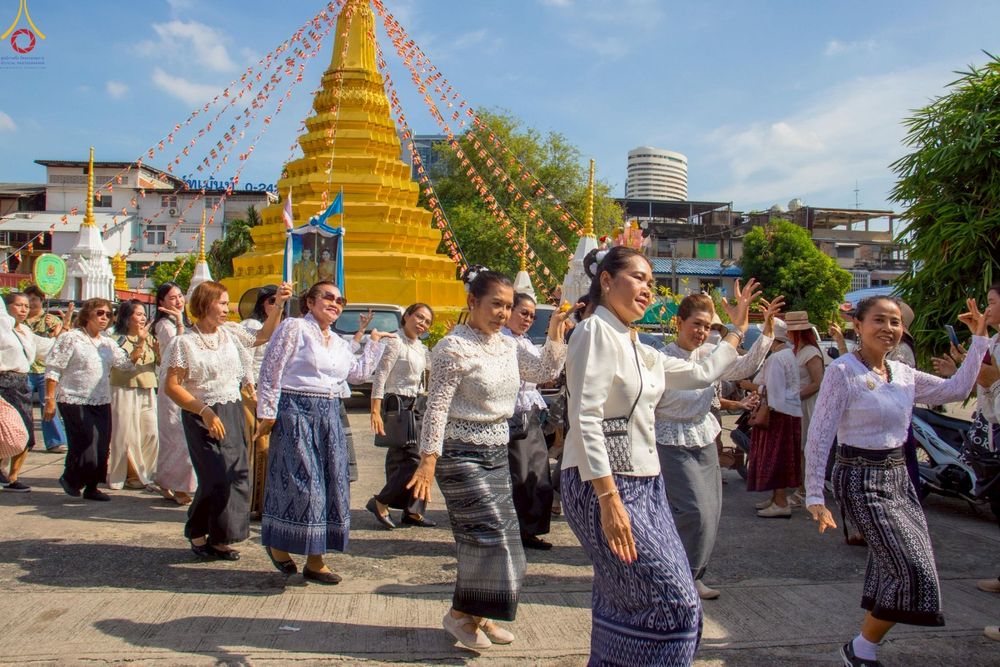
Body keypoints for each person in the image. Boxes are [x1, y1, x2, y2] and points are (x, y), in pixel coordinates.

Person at [560, 246, 761, 666]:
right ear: (607, 281)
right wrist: (608, 499)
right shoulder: (594, 332)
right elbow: (586, 417)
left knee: (627, 599)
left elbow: (702, 373)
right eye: (637, 278)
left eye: (651, 282)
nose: (647, 289)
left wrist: (736, 331)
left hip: (645, 484)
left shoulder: (637, 345)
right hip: (606, 486)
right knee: (675, 606)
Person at [804, 295, 989, 667]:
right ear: (858, 326)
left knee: (901, 565)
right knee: (912, 569)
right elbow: (820, 434)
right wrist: (814, 496)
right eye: (879, 320)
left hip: (899, 479)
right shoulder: (842, 372)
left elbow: (956, 389)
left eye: (895, 322)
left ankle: (862, 650)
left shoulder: (903, 373)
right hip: (858, 477)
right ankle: (860, 647)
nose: (888, 329)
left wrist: (981, 339)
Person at [406, 267, 570, 650]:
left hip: (497, 450)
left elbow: (546, 370)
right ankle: (466, 615)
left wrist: (556, 331)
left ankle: (476, 614)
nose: (502, 312)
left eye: (507, 306)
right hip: (459, 453)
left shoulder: (509, 345)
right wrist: (427, 460)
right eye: (495, 304)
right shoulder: (451, 348)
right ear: (472, 303)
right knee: (489, 537)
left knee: (507, 542)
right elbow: (436, 409)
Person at [256, 281, 388, 582]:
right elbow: (271, 369)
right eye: (328, 297)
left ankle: (316, 560)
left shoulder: (340, 343)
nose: (335, 303)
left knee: (331, 485)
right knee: (303, 483)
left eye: (340, 300)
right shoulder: (294, 328)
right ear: (311, 302)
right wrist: (267, 412)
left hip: (330, 413)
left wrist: (375, 344)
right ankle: (279, 542)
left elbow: (357, 374)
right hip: (296, 410)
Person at [655, 292, 779, 601]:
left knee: (711, 511)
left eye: (707, 326)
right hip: (669, 438)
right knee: (693, 511)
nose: (701, 331)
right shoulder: (661, 356)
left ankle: (695, 575)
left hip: (705, 436)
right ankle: (674, 573)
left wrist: (764, 331)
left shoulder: (711, 351)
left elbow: (743, 366)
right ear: (679, 322)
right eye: (696, 324)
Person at [163, 280, 292, 560]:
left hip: (231, 410)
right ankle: (197, 531)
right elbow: (173, 386)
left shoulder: (232, 333)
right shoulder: (184, 343)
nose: (226, 308)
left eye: (227, 303)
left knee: (236, 477)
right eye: (221, 303)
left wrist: (279, 304)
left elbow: (265, 335)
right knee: (214, 478)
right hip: (202, 414)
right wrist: (204, 411)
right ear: (205, 304)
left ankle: (220, 538)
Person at [46, 298, 151, 502]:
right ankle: (71, 477)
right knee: (86, 442)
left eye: (108, 314)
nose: (104, 318)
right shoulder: (71, 339)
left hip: (101, 399)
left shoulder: (107, 343)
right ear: (87, 315)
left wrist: (140, 341)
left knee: (101, 445)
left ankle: (92, 487)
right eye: (100, 313)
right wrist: (50, 399)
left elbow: (126, 365)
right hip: (73, 398)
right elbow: (53, 368)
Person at [503, 292, 564, 550]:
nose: (528, 319)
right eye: (523, 312)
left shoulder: (525, 342)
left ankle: (531, 528)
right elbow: (542, 371)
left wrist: (558, 331)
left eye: (532, 315)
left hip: (530, 412)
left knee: (538, 472)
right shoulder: (504, 342)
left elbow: (548, 369)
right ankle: (517, 529)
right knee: (519, 473)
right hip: (512, 413)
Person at [367, 302, 435, 530]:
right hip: (396, 404)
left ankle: (413, 510)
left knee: (409, 458)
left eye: (427, 321)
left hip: (416, 405)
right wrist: (375, 409)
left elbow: (433, 367)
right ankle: (380, 501)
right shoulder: (395, 342)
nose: (422, 323)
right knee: (414, 460)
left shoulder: (420, 348)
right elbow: (380, 377)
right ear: (406, 316)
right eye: (419, 317)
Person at [0, 293, 68, 492]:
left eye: (26, 306)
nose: (23, 309)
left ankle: (12, 477)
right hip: (3, 382)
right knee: (8, 432)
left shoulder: (25, 333)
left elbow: (50, 349)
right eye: (18, 305)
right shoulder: (3, 329)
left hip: (21, 384)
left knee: (27, 435)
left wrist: (63, 330)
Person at [743, 319, 802, 518]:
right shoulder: (787, 354)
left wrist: (754, 388)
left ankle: (780, 501)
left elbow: (774, 392)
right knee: (782, 458)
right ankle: (777, 498)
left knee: (776, 458)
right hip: (788, 412)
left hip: (778, 414)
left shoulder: (777, 358)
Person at [107, 300, 159, 490]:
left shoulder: (151, 338)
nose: (143, 318)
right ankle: (130, 474)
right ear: (127, 318)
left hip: (147, 388)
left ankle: (147, 472)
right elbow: (127, 364)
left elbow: (159, 361)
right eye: (138, 314)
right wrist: (141, 340)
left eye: (144, 314)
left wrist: (157, 348)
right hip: (124, 389)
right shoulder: (117, 340)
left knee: (151, 432)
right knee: (127, 435)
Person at [152, 282, 196, 505]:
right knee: (176, 437)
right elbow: (172, 352)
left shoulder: (185, 322)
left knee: (180, 437)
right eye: (172, 298)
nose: (178, 301)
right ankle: (179, 487)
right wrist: (179, 324)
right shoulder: (164, 325)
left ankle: (168, 480)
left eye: (180, 296)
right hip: (171, 384)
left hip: (187, 384)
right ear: (161, 303)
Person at [239, 285, 280, 518]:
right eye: (272, 301)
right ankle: (252, 502)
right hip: (252, 390)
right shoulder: (252, 326)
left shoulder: (277, 328)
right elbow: (246, 359)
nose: (276, 306)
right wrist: (250, 387)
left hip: (270, 391)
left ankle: (265, 501)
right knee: (258, 445)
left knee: (268, 446)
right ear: (262, 303)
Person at [785, 311, 824, 508]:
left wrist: (794, 396)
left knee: (805, 449)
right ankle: (801, 487)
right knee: (798, 449)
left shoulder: (811, 352)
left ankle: (805, 491)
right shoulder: (796, 351)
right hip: (796, 405)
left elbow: (818, 382)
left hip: (808, 405)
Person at [23, 284, 68, 453]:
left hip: (45, 370)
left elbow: (60, 345)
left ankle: (55, 441)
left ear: (42, 301)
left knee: (48, 404)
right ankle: (24, 441)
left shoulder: (51, 320)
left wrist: (55, 331)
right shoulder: (19, 321)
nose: (31, 303)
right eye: (28, 300)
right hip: (25, 369)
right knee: (23, 407)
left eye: (34, 299)